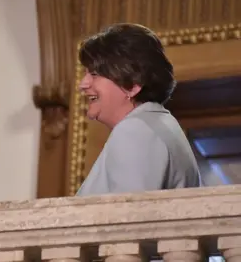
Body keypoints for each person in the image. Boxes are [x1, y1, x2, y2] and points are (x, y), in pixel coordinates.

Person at [76, 23, 201, 196]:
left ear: (133, 85)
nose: (83, 84)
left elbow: (128, 216)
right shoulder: (158, 124)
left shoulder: (136, 130)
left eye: (95, 74)